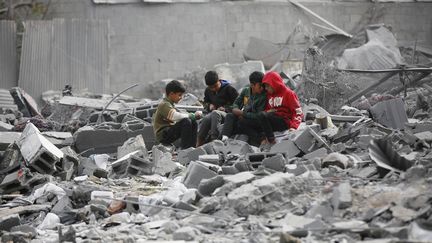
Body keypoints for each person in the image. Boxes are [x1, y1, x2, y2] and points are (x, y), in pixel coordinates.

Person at [239, 71, 303, 151]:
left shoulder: (289, 94)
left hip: (283, 121)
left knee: (262, 115)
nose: (266, 89)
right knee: (243, 122)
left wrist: (293, 127)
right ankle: (261, 140)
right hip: (270, 120)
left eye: (268, 86)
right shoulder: (269, 96)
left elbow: (298, 112)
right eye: (265, 86)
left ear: (275, 84)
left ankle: (271, 141)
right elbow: (266, 110)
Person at [152, 80, 202, 150]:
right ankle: (185, 149)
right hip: (163, 135)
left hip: (169, 132)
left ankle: (192, 148)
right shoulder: (164, 104)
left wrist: (193, 116)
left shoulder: (171, 104)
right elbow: (175, 116)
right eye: (179, 95)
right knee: (186, 121)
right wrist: (192, 115)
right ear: (172, 94)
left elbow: (182, 114)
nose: (181, 97)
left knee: (193, 121)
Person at [220, 71, 267, 144]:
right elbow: (236, 103)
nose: (262, 88)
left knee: (241, 123)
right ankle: (224, 139)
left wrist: (243, 114)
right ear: (252, 85)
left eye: (263, 85)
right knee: (230, 116)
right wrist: (235, 108)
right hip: (243, 117)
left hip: (255, 120)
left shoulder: (263, 96)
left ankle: (259, 140)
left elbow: (258, 115)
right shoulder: (246, 91)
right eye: (260, 86)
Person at [197, 71, 238, 146]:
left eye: (215, 86)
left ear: (219, 81)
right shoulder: (208, 91)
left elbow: (238, 105)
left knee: (215, 113)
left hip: (227, 115)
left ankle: (214, 140)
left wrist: (225, 108)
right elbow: (205, 103)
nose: (213, 89)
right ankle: (199, 141)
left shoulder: (229, 89)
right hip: (213, 114)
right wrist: (209, 105)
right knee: (206, 118)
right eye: (211, 87)